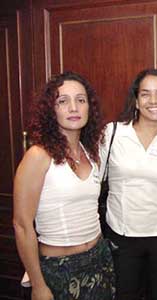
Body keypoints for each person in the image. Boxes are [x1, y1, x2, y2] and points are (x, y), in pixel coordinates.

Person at [13, 71, 115, 300]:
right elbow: (21, 225)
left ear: (89, 107)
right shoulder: (38, 156)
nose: (73, 108)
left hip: (99, 261)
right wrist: (38, 284)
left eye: (80, 100)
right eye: (63, 101)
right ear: (51, 109)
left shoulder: (91, 154)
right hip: (59, 269)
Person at [101, 69, 157, 300]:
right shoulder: (113, 133)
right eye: (145, 94)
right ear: (136, 101)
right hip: (121, 234)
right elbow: (94, 180)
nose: (153, 101)